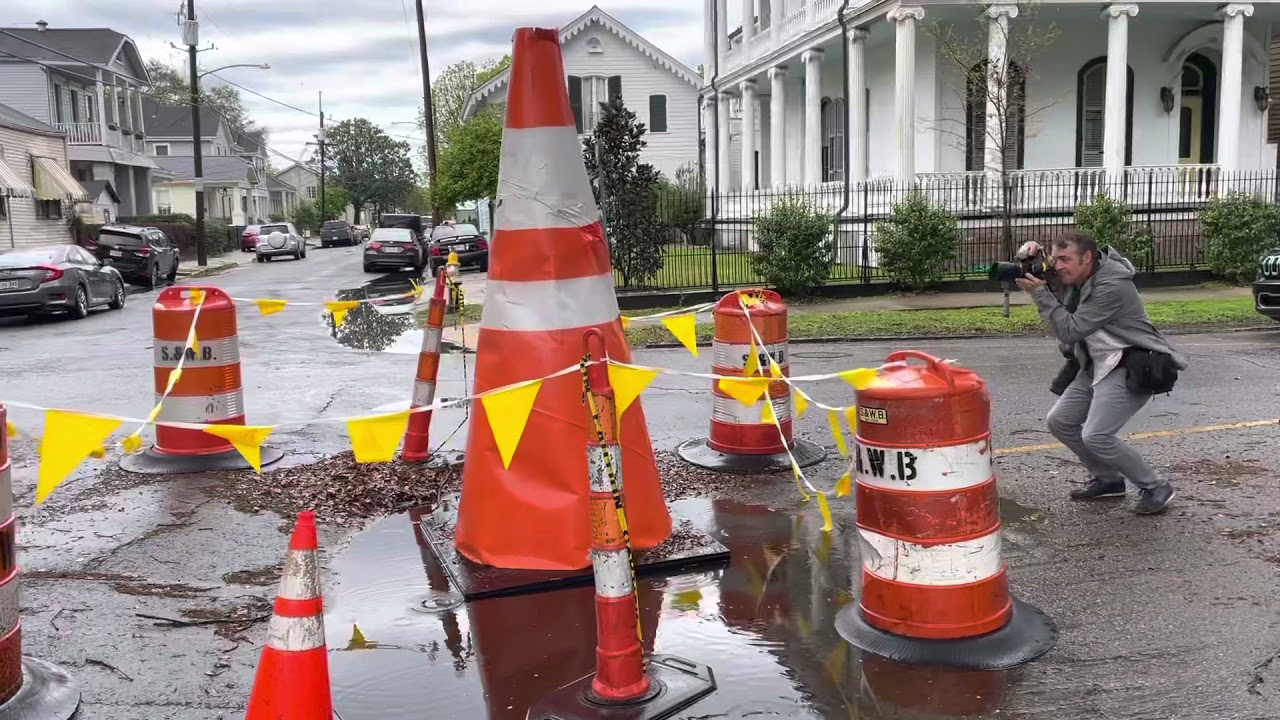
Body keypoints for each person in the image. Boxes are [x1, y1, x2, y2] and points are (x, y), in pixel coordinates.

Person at [1015, 232, 1188, 515]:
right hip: (1097, 363)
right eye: (1055, 259)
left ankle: (1156, 486)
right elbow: (1050, 285)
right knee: (1061, 421)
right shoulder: (1079, 276)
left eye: (1065, 259)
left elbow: (1071, 329)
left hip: (1130, 364)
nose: (1058, 266)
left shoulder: (1111, 286)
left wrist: (1041, 295)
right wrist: (1029, 262)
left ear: (1087, 258)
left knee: (1096, 435)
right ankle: (1108, 479)